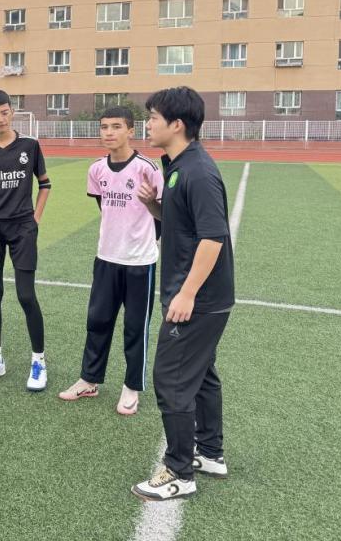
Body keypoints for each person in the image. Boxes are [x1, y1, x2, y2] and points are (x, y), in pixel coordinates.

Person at [130, 87, 234, 502]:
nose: (148, 125)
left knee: (171, 378)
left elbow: (213, 237)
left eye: (153, 118)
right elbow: (186, 224)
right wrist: (154, 206)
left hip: (199, 299)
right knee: (202, 374)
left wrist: (187, 294)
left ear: (176, 125)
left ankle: (178, 472)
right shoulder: (177, 165)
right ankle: (209, 453)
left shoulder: (198, 171)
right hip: (197, 295)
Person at [60, 106, 163, 414]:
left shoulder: (147, 168)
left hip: (139, 262)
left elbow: (162, 214)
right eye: (104, 127)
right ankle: (89, 380)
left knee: (135, 327)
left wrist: (144, 238)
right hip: (106, 257)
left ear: (130, 131)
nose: (109, 132)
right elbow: (103, 207)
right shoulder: (96, 170)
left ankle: (131, 387)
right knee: (98, 321)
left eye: (116, 126)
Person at [0, 90, 51, 391]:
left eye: (5, 113)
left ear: (12, 112)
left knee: (26, 295)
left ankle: (39, 361)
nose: (1, 119)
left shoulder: (30, 145)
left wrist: (35, 219)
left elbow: (45, 184)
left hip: (22, 227)